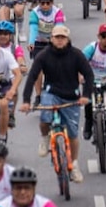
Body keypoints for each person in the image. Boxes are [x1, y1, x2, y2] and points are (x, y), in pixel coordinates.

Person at [20, 24, 93, 183]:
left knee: (73, 134)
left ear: (67, 39)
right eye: (57, 37)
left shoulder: (76, 55)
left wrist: (86, 96)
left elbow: (89, 74)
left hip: (71, 97)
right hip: (51, 93)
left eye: (63, 37)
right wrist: (26, 101)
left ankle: (73, 165)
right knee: (45, 118)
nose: (60, 40)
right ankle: (45, 138)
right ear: (51, 39)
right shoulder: (43, 56)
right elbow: (32, 77)